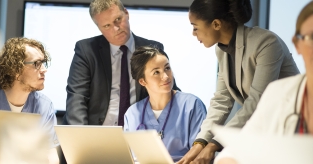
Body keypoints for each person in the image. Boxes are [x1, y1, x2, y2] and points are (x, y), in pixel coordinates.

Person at [178, 0, 300, 163]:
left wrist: (213, 145)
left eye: (195, 27)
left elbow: (256, 102)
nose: (193, 33)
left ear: (216, 24)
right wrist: (200, 143)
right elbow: (221, 100)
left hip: (291, 130)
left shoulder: (266, 43)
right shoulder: (221, 50)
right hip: (264, 129)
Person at [215, 1, 313, 163]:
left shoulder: (267, 43)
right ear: (297, 44)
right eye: (312, 37)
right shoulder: (278, 93)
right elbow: (239, 146)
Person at [63, 0, 179, 126]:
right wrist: (80, 139)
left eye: (118, 19)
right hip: (98, 132)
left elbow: (168, 89)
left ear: (126, 13)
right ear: (99, 28)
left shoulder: (152, 48)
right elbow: (77, 97)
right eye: (107, 26)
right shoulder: (86, 50)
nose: (116, 29)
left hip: (140, 132)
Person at [0, 37, 59, 164]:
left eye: (44, 63)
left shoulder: (45, 106)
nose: (44, 69)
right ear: (15, 69)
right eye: (37, 64)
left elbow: (51, 154)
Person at [124, 46, 207, 162]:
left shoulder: (192, 105)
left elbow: (200, 155)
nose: (166, 76)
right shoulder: (132, 113)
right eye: (156, 72)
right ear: (142, 81)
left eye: (167, 68)